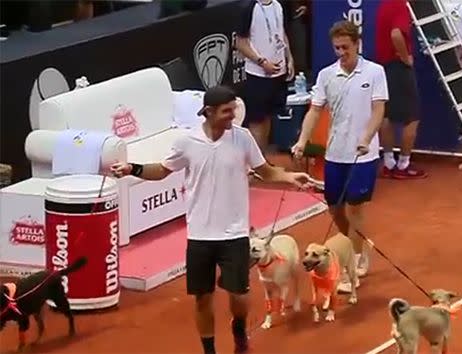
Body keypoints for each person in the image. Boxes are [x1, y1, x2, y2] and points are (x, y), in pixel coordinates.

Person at [110, 86, 311, 354]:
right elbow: (161, 171)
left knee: (239, 296)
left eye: (234, 110)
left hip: (235, 233)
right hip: (200, 236)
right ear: (208, 112)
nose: (233, 116)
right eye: (227, 111)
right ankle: (209, 350)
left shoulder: (243, 138)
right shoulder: (186, 142)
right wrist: (131, 169)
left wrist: (289, 177)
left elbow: (265, 171)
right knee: (202, 299)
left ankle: (238, 326)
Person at [292, 20, 388, 293]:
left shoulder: (375, 72)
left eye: (346, 47)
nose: (341, 52)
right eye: (337, 48)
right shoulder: (325, 75)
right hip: (335, 153)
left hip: (363, 154)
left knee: (355, 207)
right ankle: (351, 243)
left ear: (357, 44)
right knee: (335, 207)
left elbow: (378, 110)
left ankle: (355, 257)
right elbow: (314, 111)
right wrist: (302, 141)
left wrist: (366, 139)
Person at [375, 0, 428, 179]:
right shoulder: (400, 6)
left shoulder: (385, 4)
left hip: (385, 67)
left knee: (387, 115)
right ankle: (403, 165)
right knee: (412, 117)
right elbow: (396, 34)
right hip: (398, 67)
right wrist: (406, 59)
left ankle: (389, 163)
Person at [235, 0, 295, 153]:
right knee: (257, 121)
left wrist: (289, 58)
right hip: (258, 74)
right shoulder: (248, 7)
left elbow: (282, 34)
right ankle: (257, 166)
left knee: (268, 117)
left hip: (278, 73)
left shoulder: (279, 4)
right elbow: (240, 43)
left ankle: (263, 161)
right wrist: (262, 62)